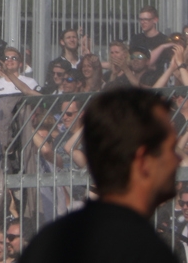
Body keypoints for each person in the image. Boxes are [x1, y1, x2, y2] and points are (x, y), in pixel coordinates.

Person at [20, 88, 182, 263]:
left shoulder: (53, 238)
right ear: (142, 160)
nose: (178, 159)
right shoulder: (140, 249)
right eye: (170, 149)